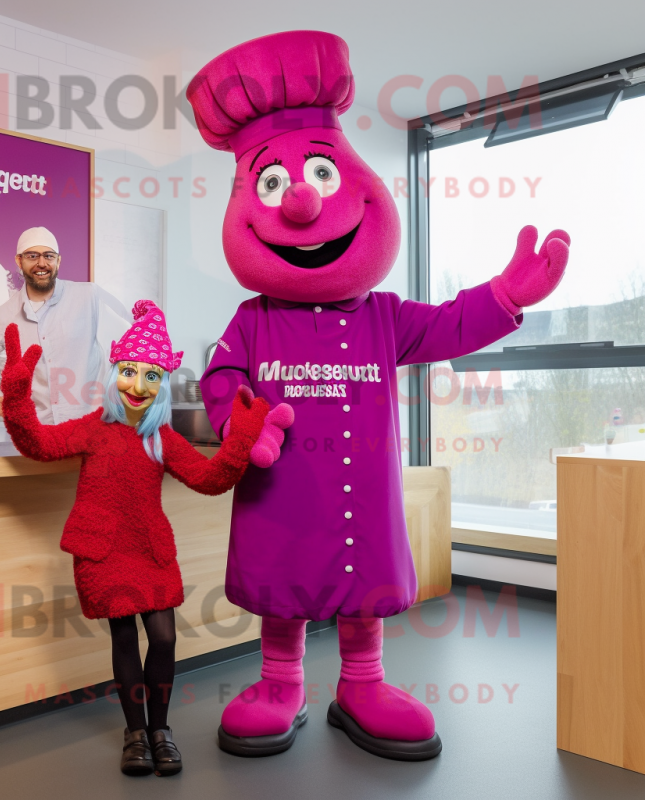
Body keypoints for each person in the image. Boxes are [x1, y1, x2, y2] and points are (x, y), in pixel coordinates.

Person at [188, 30, 571, 760]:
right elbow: (222, 377)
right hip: (282, 491)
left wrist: (503, 297)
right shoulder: (254, 319)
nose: (300, 201)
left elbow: (450, 325)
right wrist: (246, 424)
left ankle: (361, 685)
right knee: (284, 586)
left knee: (363, 585)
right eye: (272, 184)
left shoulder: (382, 316)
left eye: (319, 177)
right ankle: (281, 684)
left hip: (359, 488)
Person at [0, 300, 272, 777]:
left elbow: (211, 479)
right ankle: (135, 735)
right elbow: (37, 444)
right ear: (114, 374)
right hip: (102, 551)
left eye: (151, 376)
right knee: (124, 638)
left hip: (149, 549)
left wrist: (241, 441)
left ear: (162, 385)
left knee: (163, 638)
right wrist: (17, 395)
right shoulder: (94, 428)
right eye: (129, 372)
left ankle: (160, 729)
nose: (137, 386)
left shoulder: (161, 437)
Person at [0, 226, 130, 423]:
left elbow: (131, 337)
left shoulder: (89, 296)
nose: (42, 263)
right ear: (19, 260)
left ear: (58, 261)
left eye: (49, 256)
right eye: (32, 256)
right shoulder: (2, 316)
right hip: (36, 432)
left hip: (90, 427)